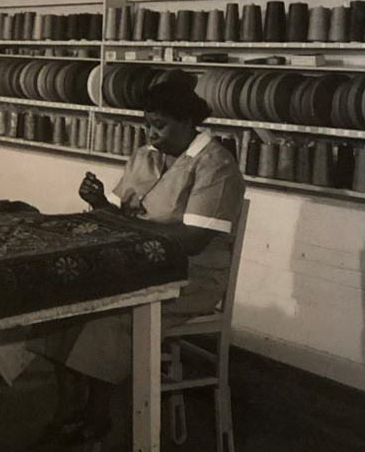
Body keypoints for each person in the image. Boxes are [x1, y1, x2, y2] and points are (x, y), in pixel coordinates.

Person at [31, 69, 246, 447]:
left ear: (187, 122)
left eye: (159, 126)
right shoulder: (146, 156)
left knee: (112, 312)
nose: (150, 134)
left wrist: (125, 226)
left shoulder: (216, 165)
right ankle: (69, 408)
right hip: (136, 267)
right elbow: (118, 210)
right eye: (147, 125)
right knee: (63, 298)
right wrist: (98, 202)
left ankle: (99, 416)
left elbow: (193, 240)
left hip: (190, 277)